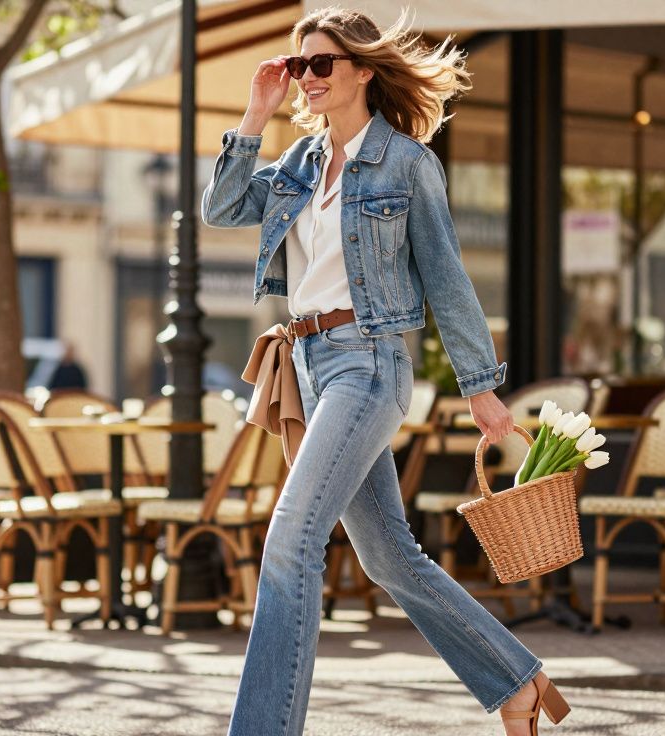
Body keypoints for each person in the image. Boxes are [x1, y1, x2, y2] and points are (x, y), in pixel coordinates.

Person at [202, 8, 569, 736]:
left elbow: (447, 277)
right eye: (299, 65)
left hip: (370, 365)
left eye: (321, 65)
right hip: (310, 366)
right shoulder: (299, 165)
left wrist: (481, 389)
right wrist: (255, 112)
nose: (306, 78)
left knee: (291, 538)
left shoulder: (406, 163)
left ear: (363, 71)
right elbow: (220, 206)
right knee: (389, 559)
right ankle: (518, 683)